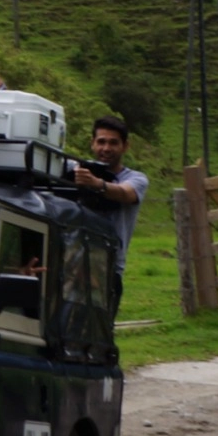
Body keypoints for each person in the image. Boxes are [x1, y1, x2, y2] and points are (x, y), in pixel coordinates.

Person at [74, 115, 147, 305]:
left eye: (113, 143)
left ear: (125, 146)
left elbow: (125, 193)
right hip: (71, 264)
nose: (106, 148)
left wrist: (97, 184)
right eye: (101, 142)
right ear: (92, 143)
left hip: (109, 267)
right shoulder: (76, 171)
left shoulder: (136, 178)